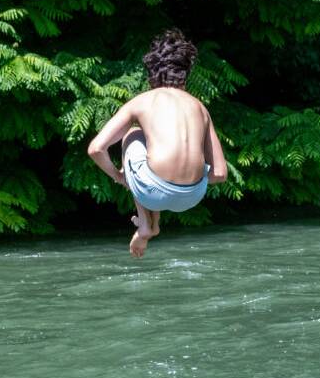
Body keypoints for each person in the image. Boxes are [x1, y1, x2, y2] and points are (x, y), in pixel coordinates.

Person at [87, 29, 228, 258]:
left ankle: (145, 224)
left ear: (152, 72)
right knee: (157, 158)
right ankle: (154, 221)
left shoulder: (142, 101)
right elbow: (220, 174)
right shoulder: (200, 108)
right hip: (192, 196)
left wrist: (121, 177)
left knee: (133, 134)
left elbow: (96, 148)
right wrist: (190, 181)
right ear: (185, 73)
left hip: (150, 191)